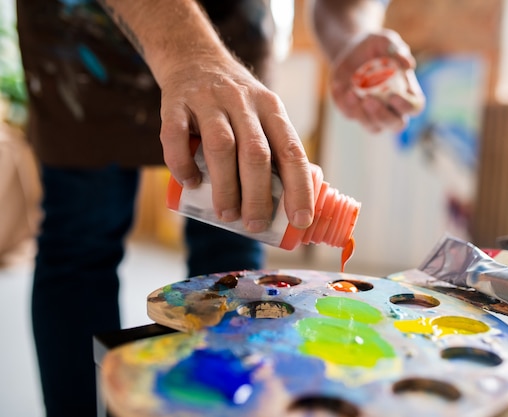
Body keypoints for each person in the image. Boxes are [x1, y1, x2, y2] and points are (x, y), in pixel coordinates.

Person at [15, 0, 424, 416]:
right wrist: (191, 55)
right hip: (85, 47)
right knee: (82, 241)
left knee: (235, 257)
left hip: (233, 35)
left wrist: (350, 33)